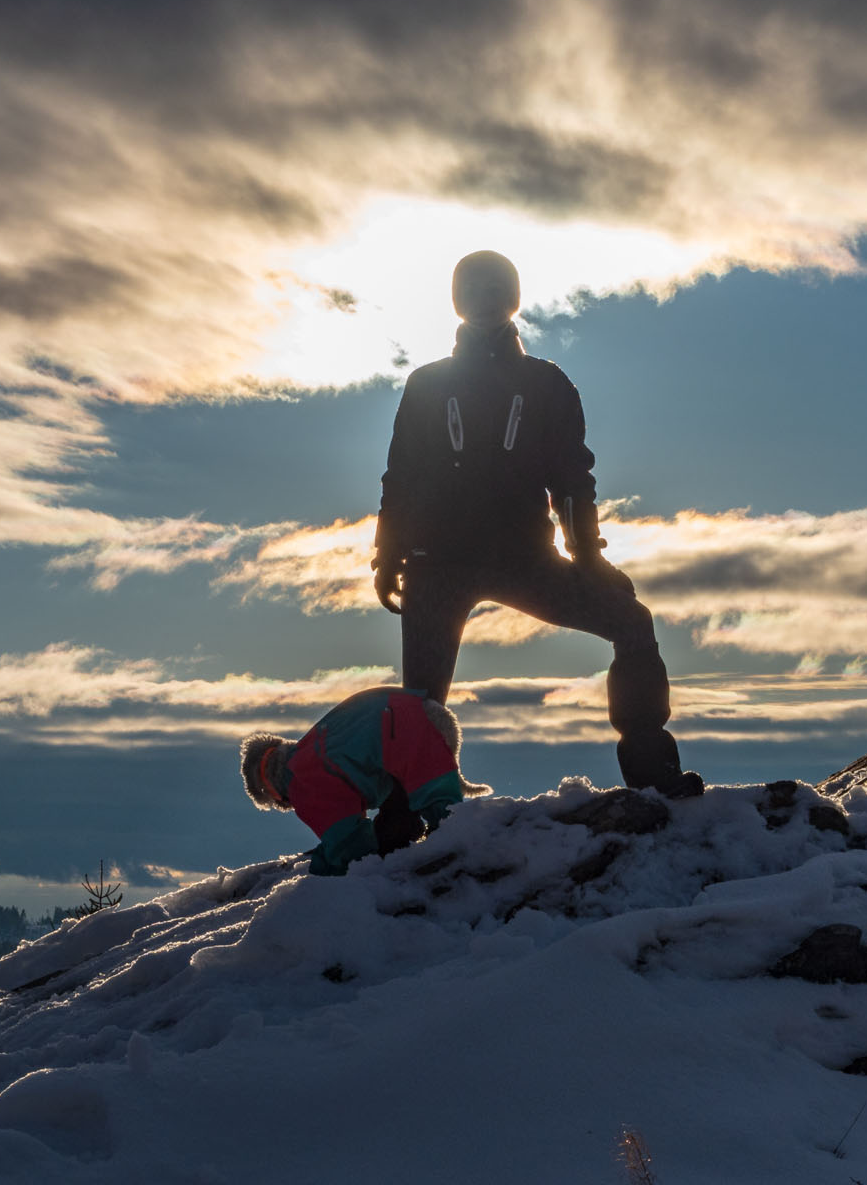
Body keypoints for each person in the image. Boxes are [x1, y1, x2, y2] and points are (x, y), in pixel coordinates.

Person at [372, 250, 699, 797]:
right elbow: (401, 478)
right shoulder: (426, 385)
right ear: (456, 301)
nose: (484, 300)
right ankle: (408, 817)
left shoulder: (546, 383)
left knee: (632, 624)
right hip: (439, 562)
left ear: (514, 298)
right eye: (471, 290)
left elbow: (571, 479)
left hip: (525, 559)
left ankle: (653, 778)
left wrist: (589, 559)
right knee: (423, 705)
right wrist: (388, 555)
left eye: (495, 288)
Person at [239, 686, 486, 875]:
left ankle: (466, 850)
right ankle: (440, 833)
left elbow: (351, 844)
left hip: (401, 726)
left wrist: (321, 866)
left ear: (268, 791)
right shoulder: (315, 747)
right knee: (421, 806)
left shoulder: (303, 781)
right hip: (414, 711)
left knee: (449, 823)